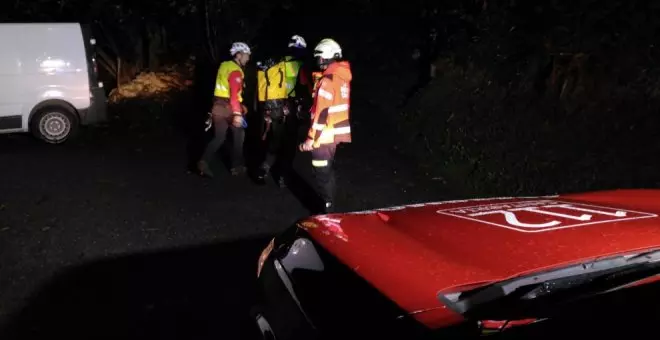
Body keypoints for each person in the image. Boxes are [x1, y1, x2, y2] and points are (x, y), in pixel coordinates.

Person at [299, 38, 352, 213]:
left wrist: (310, 138)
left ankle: (328, 210)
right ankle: (330, 206)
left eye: (319, 58)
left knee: (322, 173)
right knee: (327, 171)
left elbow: (321, 113)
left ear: (326, 56)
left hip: (323, 135)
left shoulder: (327, 81)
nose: (318, 61)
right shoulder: (341, 78)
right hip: (334, 133)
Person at [254, 35, 312, 187]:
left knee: (275, 139)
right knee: (289, 142)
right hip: (289, 106)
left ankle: (264, 168)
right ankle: (282, 177)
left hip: (272, 106)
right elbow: (304, 87)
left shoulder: (278, 62)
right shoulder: (299, 65)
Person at [197, 42, 251, 178]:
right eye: (246, 55)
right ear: (238, 55)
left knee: (219, 137)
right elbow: (233, 95)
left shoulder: (224, 66)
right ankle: (236, 166)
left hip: (217, 107)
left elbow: (225, 90)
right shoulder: (236, 71)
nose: (248, 58)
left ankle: (203, 162)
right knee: (239, 134)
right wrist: (238, 113)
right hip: (228, 108)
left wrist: (241, 104)